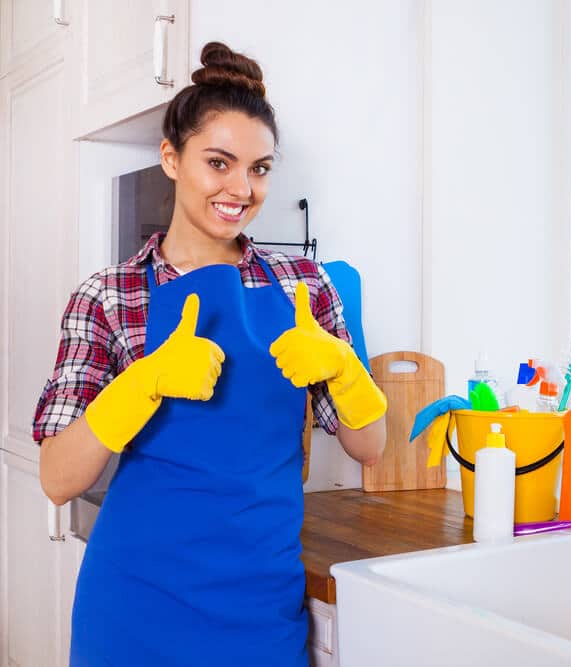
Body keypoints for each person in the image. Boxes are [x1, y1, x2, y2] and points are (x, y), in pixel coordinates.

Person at [32, 42, 387, 666]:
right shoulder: (110, 295)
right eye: (218, 163)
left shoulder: (305, 286)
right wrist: (140, 384)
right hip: (135, 606)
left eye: (259, 168)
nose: (241, 188)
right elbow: (59, 480)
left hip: (261, 605)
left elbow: (370, 446)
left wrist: (343, 366)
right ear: (171, 158)